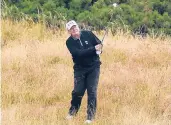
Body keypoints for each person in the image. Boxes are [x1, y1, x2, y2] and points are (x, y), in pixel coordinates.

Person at [65, 20, 102, 124]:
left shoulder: (88, 34)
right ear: (69, 32)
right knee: (78, 92)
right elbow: (78, 54)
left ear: (78, 26)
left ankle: (90, 117)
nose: (74, 29)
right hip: (80, 69)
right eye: (71, 29)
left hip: (94, 67)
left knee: (92, 91)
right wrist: (93, 49)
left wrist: (99, 49)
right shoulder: (69, 42)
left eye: (75, 27)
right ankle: (72, 112)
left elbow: (99, 43)